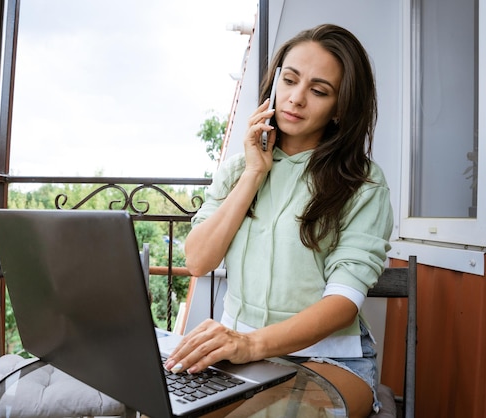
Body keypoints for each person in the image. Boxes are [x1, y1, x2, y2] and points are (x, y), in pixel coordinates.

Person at [163, 23, 393, 417]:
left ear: (340, 108)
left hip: (331, 360)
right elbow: (198, 260)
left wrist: (251, 345)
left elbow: (342, 303)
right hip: (240, 355)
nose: (296, 99)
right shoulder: (239, 169)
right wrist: (254, 173)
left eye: (319, 91)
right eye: (289, 80)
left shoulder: (363, 184)